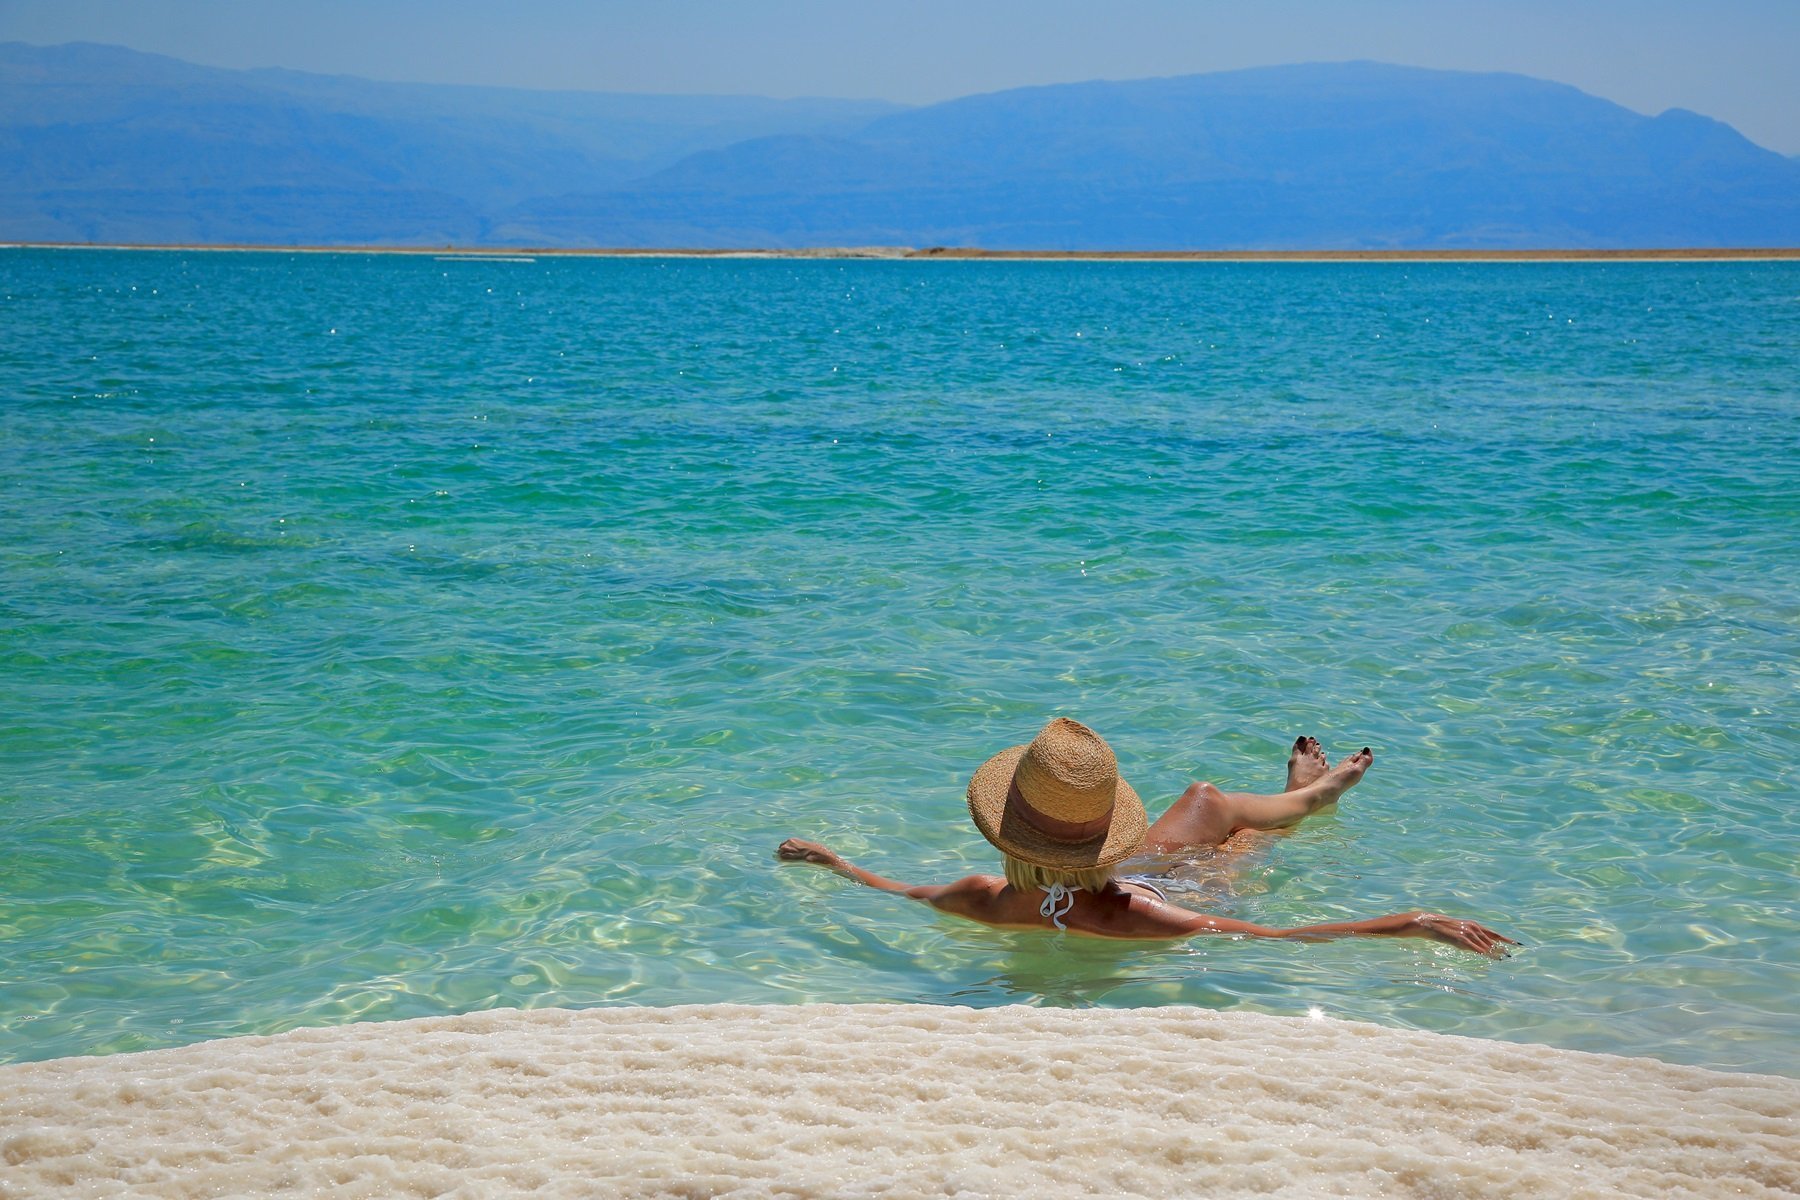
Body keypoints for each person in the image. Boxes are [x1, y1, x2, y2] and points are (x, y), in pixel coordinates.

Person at [777, 717, 1516, 955]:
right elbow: (1278, 936)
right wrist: (1411, 922)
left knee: (1206, 799)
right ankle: (1308, 797)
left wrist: (835, 862)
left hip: (1132, 866)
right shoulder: (1139, 916)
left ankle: (1303, 798)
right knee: (1234, 835)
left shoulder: (982, 896)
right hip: (1160, 879)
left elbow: (903, 890)